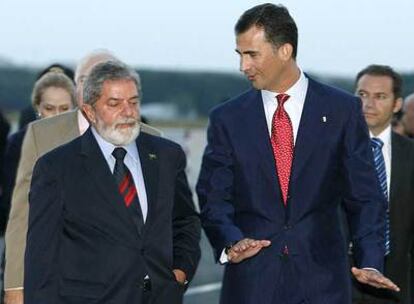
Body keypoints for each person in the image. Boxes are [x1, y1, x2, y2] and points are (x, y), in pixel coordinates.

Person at [196, 4, 399, 304]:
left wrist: (370, 259)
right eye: (239, 55)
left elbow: (366, 196)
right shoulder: (228, 118)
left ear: (285, 51)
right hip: (252, 285)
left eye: (252, 54)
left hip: (324, 285)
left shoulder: (341, 110)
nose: (243, 66)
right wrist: (231, 240)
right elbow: (213, 195)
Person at [24, 60, 201, 304]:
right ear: (89, 111)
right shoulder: (56, 168)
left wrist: (180, 271)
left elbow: (185, 221)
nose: (128, 112)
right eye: (114, 104)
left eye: (134, 102)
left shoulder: (167, 156)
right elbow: (40, 259)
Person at [3, 50, 161, 304]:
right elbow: (23, 215)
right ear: (78, 88)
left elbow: (168, 220)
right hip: (65, 286)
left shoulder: (152, 140)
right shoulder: (42, 136)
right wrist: (15, 286)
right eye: (90, 79)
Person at [352, 65, 414, 303]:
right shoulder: (326, 151)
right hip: (335, 284)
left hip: (396, 286)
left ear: (397, 104)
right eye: (362, 95)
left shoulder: (410, 155)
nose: (368, 104)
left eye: (380, 97)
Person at [1, 71, 76, 234]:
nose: (57, 115)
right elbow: (11, 200)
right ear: (37, 108)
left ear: (74, 108)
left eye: (64, 108)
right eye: (50, 108)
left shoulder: (87, 142)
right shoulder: (19, 143)